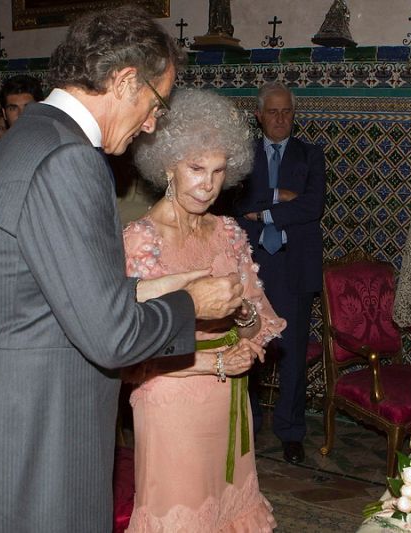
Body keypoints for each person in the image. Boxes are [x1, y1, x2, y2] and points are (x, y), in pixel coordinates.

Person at [0, 6, 245, 531]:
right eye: (156, 102)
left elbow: (58, 291)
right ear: (125, 80)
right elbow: (110, 335)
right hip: (46, 429)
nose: (154, 122)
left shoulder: (27, 139)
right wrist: (193, 304)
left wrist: (161, 285)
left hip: (14, 411)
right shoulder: (69, 157)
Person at [123, 89, 282, 532]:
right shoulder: (141, 240)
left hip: (228, 398)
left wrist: (245, 329)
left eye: (217, 171)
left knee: (230, 512)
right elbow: (132, 357)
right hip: (172, 403)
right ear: (167, 165)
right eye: (195, 168)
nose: (207, 184)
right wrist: (215, 361)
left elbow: (258, 319)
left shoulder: (229, 232)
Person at [235, 81, 326, 464]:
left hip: (294, 266)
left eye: (286, 111)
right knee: (249, 347)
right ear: (259, 116)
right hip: (252, 266)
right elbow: (237, 202)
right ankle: (249, 427)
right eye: (272, 112)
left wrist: (265, 212)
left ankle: (291, 431)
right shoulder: (242, 156)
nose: (280, 118)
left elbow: (313, 206)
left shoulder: (311, 155)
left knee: (291, 352)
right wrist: (278, 196)